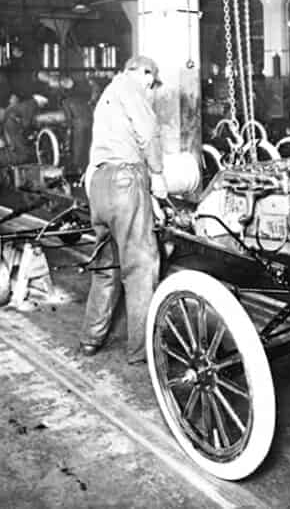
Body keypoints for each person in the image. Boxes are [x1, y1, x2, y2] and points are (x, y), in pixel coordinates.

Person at [79, 55, 168, 365]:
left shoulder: (107, 94)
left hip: (99, 184)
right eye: (150, 80)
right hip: (125, 180)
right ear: (141, 72)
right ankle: (141, 351)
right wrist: (157, 177)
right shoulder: (131, 89)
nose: (150, 87)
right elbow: (149, 133)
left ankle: (91, 338)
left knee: (106, 266)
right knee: (141, 267)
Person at [1, 93, 49, 165]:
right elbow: (26, 123)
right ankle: (6, 161)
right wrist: (34, 132)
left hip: (12, 124)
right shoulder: (32, 106)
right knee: (22, 151)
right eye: (43, 105)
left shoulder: (29, 104)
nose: (43, 107)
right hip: (14, 126)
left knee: (19, 147)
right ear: (40, 102)